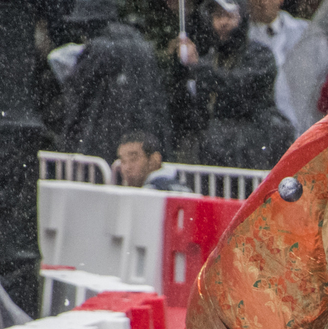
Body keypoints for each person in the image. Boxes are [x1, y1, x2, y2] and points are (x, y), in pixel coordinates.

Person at [170, 0, 293, 167]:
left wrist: (200, 67)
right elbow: (195, 110)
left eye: (229, 16)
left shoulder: (260, 55)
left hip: (256, 150)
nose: (223, 23)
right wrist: (181, 67)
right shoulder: (210, 60)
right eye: (218, 16)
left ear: (242, 19)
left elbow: (241, 90)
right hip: (218, 156)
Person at [57, 0, 172, 163]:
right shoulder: (143, 47)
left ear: (86, 24)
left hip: (102, 144)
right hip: (144, 142)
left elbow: (78, 99)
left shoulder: (98, 50)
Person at [248, 0, 308, 128]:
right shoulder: (243, 39)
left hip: (302, 119)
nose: (263, 3)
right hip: (261, 127)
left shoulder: (305, 32)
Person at [117, 130, 193, 190]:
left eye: (133, 159)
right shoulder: (184, 189)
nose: (127, 168)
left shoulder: (150, 192)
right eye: (123, 161)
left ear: (155, 159)